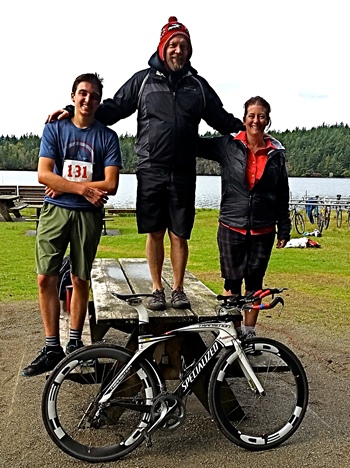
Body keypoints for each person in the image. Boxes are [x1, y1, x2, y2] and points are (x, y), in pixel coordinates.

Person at [47, 16, 244, 311]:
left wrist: (249, 132)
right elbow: (112, 109)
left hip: (183, 173)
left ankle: (177, 289)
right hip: (151, 169)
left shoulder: (198, 87)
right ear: (163, 47)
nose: (178, 50)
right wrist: (71, 109)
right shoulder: (143, 81)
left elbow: (221, 118)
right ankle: (156, 289)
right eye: (173, 44)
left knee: (179, 233)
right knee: (154, 232)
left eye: (184, 46)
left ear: (189, 51)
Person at [22, 73, 123, 377]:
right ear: (73, 95)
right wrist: (79, 188)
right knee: (45, 278)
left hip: (88, 217)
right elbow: (43, 175)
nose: (87, 99)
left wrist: (63, 183)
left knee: (80, 279)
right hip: (56, 212)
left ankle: (75, 343)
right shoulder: (55, 128)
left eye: (93, 95)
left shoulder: (107, 137)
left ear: (99, 101)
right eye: (82, 93)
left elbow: (112, 183)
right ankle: (52, 346)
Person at [198, 96, 291, 338]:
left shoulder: (276, 154)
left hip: (263, 229)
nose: (256, 120)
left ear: (268, 120)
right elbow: (194, 144)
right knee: (231, 282)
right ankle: (231, 332)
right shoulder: (228, 146)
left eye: (261, 116)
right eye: (252, 116)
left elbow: (282, 193)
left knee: (254, 283)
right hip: (231, 225)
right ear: (244, 119)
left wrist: (284, 228)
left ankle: (248, 333)